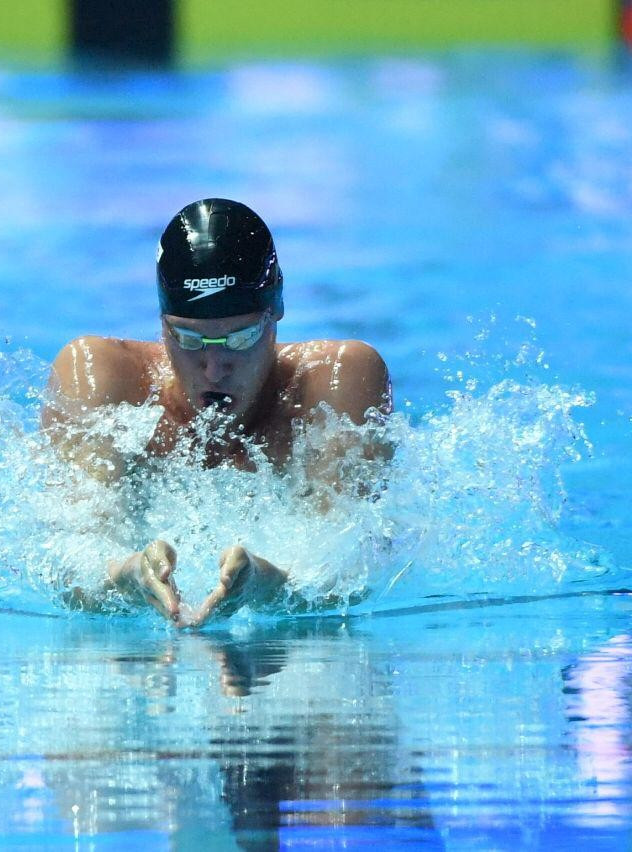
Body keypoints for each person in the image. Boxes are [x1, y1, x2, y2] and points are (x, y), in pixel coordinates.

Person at [42, 198, 392, 628]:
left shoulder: (335, 383)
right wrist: (122, 576)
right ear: (162, 323)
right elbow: (62, 558)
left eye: (240, 338)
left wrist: (275, 585)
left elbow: (354, 569)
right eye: (188, 339)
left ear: (276, 310)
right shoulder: (104, 380)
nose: (213, 368)